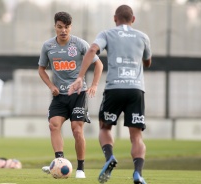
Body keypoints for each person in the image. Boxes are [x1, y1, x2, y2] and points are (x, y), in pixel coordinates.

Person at [68, 5, 152, 184]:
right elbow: (147, 61)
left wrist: (80, 76)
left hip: (114, 89)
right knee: (136, 136)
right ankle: (137, 173)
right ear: (133, 19)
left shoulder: (107, 34)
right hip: (136, 90)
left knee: (105, 127)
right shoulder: (143, 37)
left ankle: (110, 158)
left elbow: (92, 50)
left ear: (115, 19)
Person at [38, 11, 103, 179]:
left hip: (78, 94)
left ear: (70, 27)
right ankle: (60, 162)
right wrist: (51, 85)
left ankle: (81, 168)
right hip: (59, 95)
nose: (63, 31)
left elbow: (99, 64)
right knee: (53, 124)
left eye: (66, 27)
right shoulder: (48, 46)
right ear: (55, 27)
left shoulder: (80, 44)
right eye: (60, 27)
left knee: (77, 130)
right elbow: (41, 69)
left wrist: (94, 85)